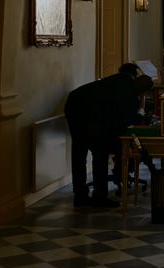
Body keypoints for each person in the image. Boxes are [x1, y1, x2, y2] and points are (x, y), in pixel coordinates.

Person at [64, 63, 153, 208]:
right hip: (90, 115)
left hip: (74, 104)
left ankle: (80, 196)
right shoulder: (130, 94)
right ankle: (99, 196)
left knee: (79, 154)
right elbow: (130, 119)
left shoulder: (121, 78)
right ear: (143, 92)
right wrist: (141, 108)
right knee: (100, 153)